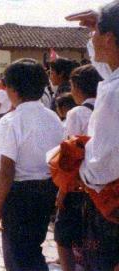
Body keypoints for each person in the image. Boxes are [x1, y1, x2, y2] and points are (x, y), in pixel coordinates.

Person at [0, 59, 64, 271]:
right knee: (32, 249)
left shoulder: (11, 121)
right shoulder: (53, 118)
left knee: (16, 256)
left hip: (20, 195)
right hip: (47, 190)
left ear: (12, 89)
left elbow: (7, 171)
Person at [66, 4, 119, 270]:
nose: (92, 38)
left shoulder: (113, 92)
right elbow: (103, 64)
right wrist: (98, 24)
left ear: (108, 38)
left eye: (95, 32)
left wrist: (77, 168)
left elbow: (101, 166)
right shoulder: (114, 80)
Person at [54, 65, 102, 271]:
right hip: (101, 184)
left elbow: (69, 156)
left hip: (77, 183)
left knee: (63, 232)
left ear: (77, 87)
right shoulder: (106, 107)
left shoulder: (76, 112)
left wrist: (62, 192)